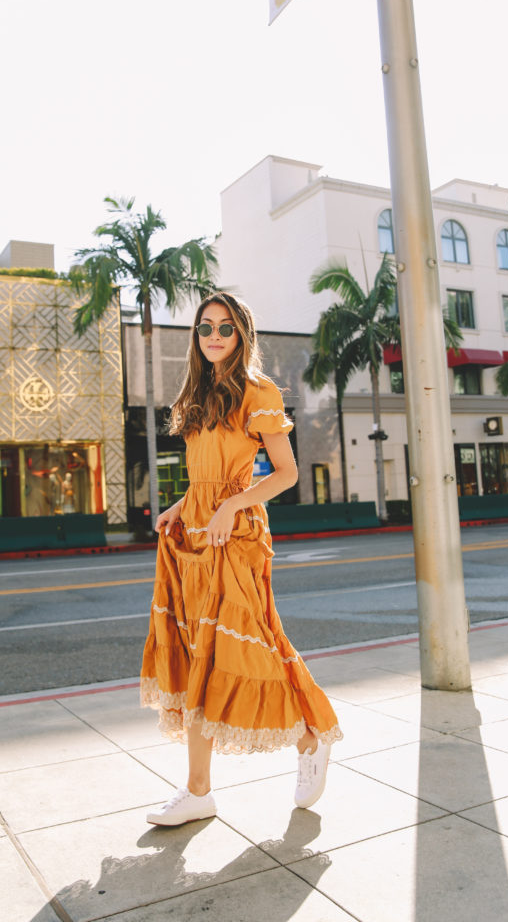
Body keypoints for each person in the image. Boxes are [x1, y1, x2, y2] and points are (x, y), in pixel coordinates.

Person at [141, 292, 342, 827]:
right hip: (196, 534)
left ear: (242, 334)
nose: (213, 336)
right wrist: (181, 505)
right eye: (205, 327)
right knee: (199, 658)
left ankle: (309, 738)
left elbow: (285, 473)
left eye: (225, 328)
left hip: (237, 534)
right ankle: (198, 791)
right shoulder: (199, 392)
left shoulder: (260, 391)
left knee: (242, 651)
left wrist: (231, 504)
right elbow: (207, 472)